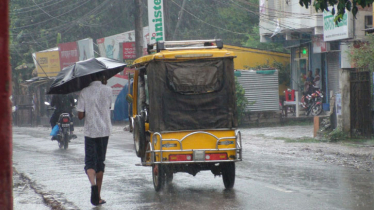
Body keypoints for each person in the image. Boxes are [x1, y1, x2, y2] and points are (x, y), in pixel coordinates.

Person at [76, 74, 112, 206]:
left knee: (90, 162)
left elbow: (80, 115)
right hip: (104, 130)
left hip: (90, 131)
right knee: (100, 162)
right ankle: (98, 195)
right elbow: (108, 108)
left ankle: (92, 185)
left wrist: (88, 110)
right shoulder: (108, 90)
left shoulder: (84, 91)